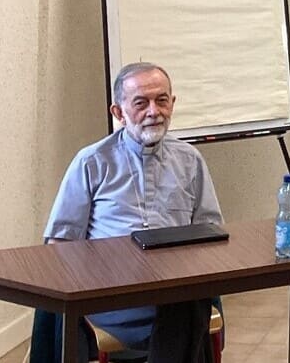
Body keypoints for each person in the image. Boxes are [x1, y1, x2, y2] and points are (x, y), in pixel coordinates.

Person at [40, 62, 222, 362]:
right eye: (140, 103)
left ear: (172, 104)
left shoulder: (190, 160)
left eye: (162, 100)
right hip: (111, 298)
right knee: (187, 312)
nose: (154, 111)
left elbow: (211, 232)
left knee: (189, 298)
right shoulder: (91, 162)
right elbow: (59, 244)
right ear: (118, 112)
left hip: (174, 295)